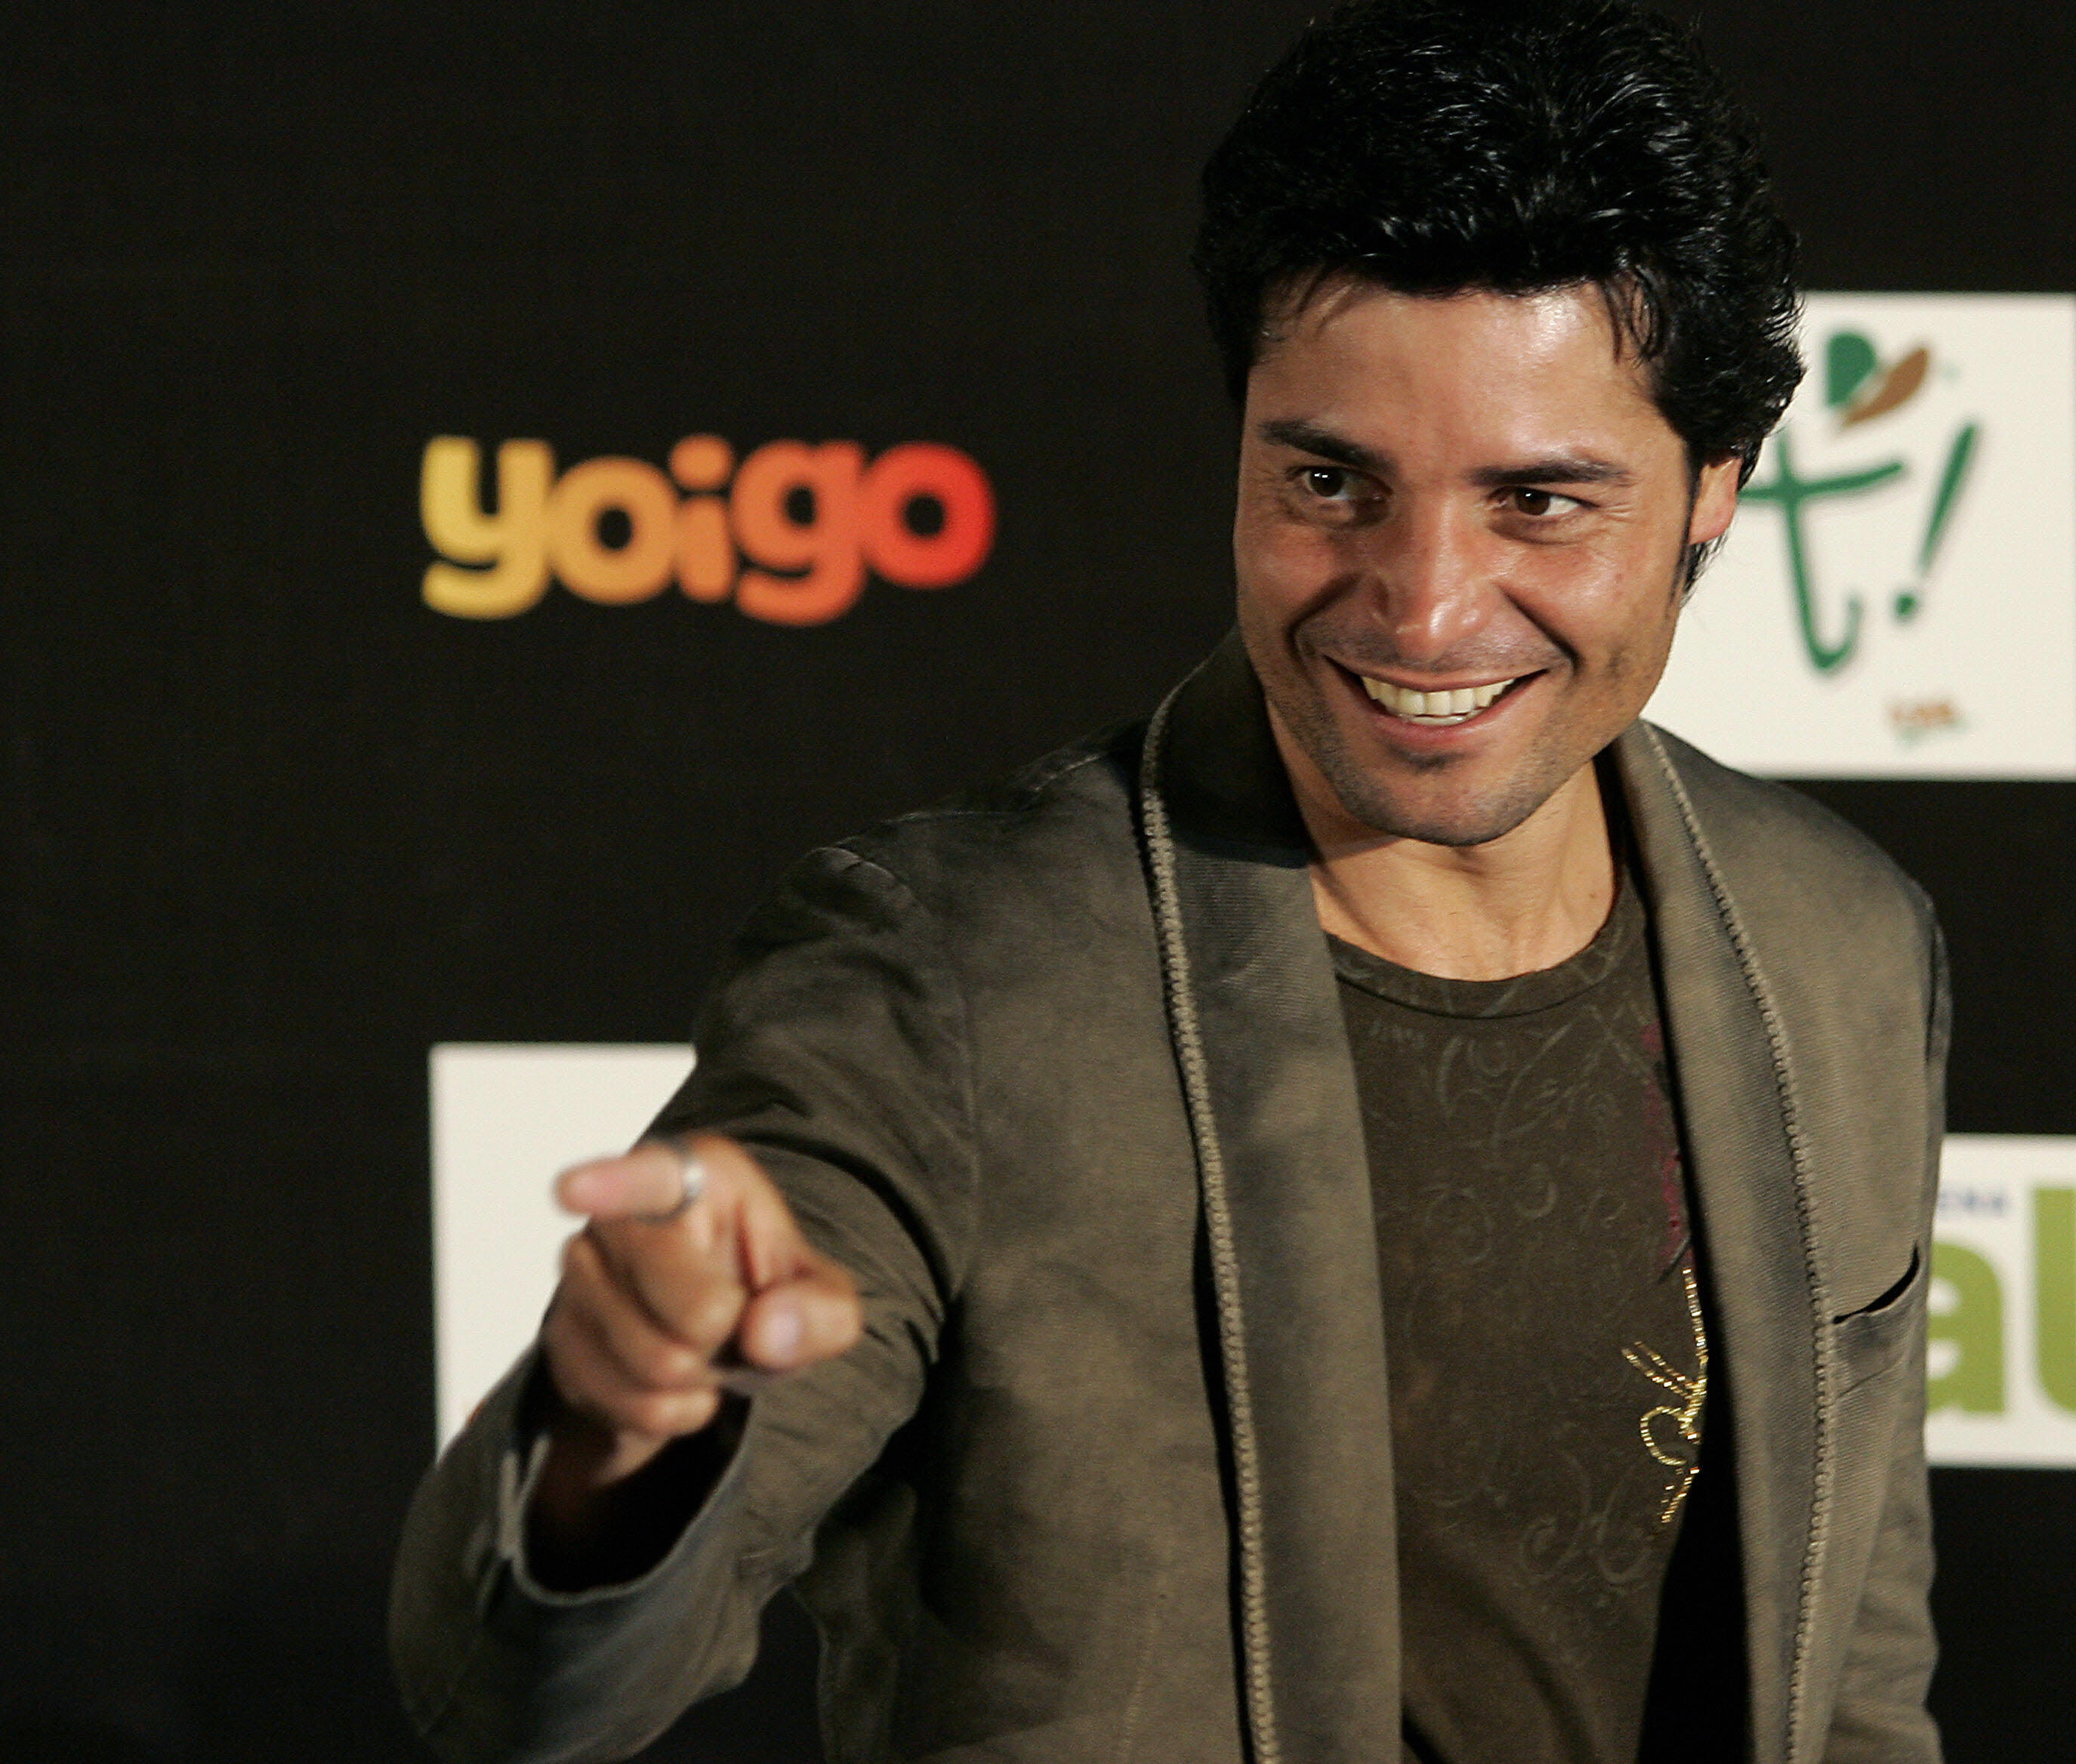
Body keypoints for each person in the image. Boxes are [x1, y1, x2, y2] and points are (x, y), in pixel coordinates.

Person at [390, 3, 1948, 1760]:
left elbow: (1855, 1673)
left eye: (1538, 503)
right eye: (1328, 480)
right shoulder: (953, 976)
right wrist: (617, 1438)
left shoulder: (1841, 946)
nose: (1422, 605)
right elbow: (526, 1695)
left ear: (1713, 497)